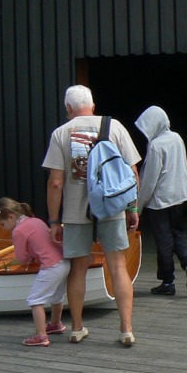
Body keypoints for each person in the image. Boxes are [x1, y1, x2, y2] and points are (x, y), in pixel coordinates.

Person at [43, 85, 141, 346]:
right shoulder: (115, 126)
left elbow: (55, 183)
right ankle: (126, 329)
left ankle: (76, 328)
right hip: (111, 209)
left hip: (76, 213)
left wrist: (54, 221)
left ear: (68, 109)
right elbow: (132, 173)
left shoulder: (61, 133)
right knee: (118, 266)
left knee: (78, 268)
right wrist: (131, 208)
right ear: (93, 106)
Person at [135, 105, 187, 296]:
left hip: (160, 201)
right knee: (178, 232)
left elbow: (149, 180)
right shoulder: (177, 138)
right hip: (179, 196)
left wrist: (138, 207)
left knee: (163, 239)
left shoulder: (156, 146)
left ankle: (167, 281)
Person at [0, 197, 70, 347]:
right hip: (63, 262)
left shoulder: (19, 231)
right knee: (56, 296)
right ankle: (55, 323)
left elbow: (21, 258)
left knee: (35, 300)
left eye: (3, 224)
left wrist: (27, 258)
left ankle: (41, 336)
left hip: (51, 266)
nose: (3, 228)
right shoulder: (36, 221)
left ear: (11, 217)